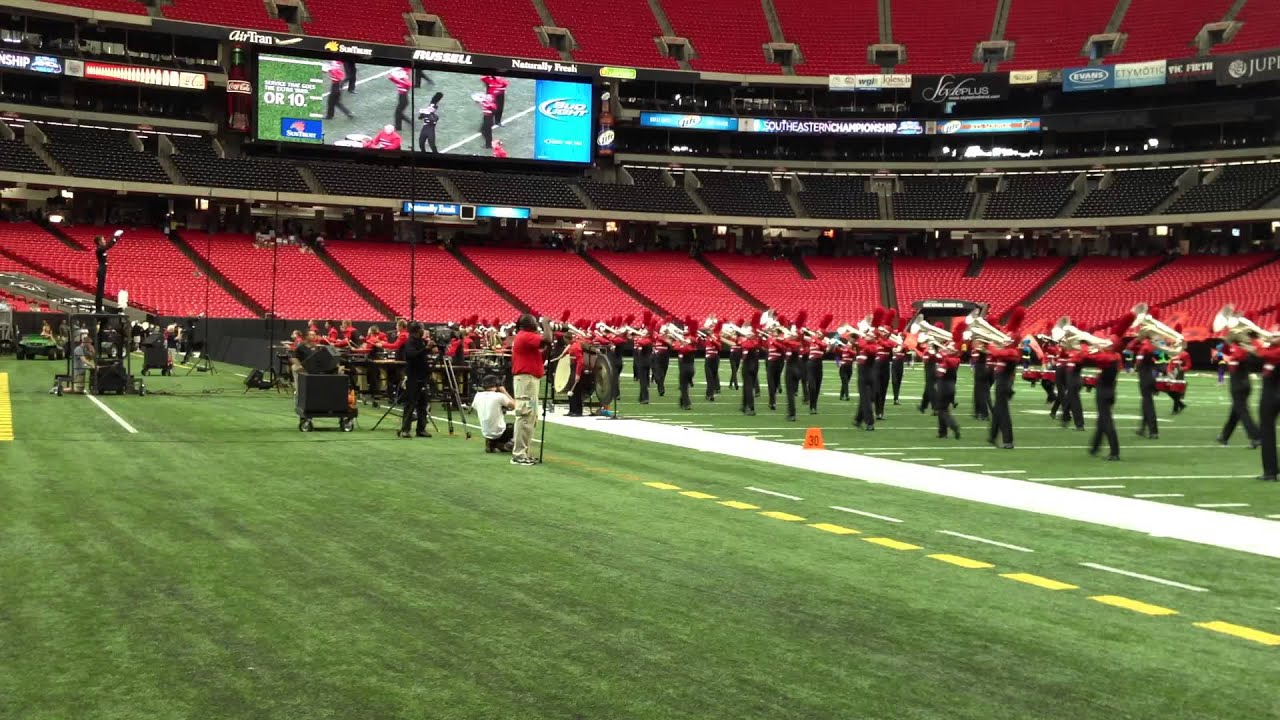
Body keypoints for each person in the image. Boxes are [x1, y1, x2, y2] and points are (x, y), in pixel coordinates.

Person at [510, 314, 549, 466]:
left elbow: (541, 351)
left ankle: (523, 451)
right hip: (526, 381)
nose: (537, 323)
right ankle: (518, 454)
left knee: (531, 415)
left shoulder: (526, 337)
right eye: (535, 321)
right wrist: (546, 324)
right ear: (528, 324)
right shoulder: (525, 336)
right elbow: (547, 339)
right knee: (525, 415)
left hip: (530, 381)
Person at [1081, 340, 1123, 460]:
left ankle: (1115, 452)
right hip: (1111, 391)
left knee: (1107, 422)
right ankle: (1095, 447)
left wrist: (1087, 344)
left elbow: (1086, 356)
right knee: (1101, 420)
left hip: (1103, 392)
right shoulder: (1116, 356)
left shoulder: (1107, 358)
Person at [1219, 341, 1261, 448]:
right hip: (1243, 385)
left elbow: (1238, 355)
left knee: (1242, 412)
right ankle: (1224, 436)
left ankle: (1256, 436)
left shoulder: (1239, 351)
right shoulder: (1234, 351)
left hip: (1238, 387)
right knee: (1236, 412)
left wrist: (1238, 347)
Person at [397, 323, 433, 439]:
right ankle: (405, 429)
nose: (424, 331)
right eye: (422, 329)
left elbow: (421, 355)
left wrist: (428, 348)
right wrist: (426, 349)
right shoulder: (410, 342)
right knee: (410, 403)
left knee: (423, 403)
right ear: (417, 330)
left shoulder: (420, 341)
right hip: (413, 376)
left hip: (422, 375)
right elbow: (412, 355)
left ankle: (421, 429)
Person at [987, 343, 1020, 449]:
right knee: (997, 411)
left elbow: (996, 352)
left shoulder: (1012, 352)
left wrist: (990, 344)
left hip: (1003, 386)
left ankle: (1008, 441)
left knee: (1003, 413)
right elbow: (994, 355)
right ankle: (992, 436)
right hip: (1000, 385)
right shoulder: (1005, 353)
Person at [1256, 338, 1280, 481]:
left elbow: (1261, 353)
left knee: (1267, 432)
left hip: (1271, 397)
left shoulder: (1274, 352)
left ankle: (1270, 472)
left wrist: (1255, 342)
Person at [473, 375, 516, 453]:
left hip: (486, 433)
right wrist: (504, 391)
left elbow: (476, 407)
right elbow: (515, 405)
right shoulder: (499, 396)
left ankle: (492, 443)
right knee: (519, 426)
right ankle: (509, 444)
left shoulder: (477, 395)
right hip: (500, 432)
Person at [1129, 336, 1159, 439]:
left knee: (1148, 405)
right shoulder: (1149, 346)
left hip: (1145, 378)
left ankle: (1153, 431)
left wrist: (1135, 369)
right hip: (1151, 377)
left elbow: (1138, 359)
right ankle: (1142, 428)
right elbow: (1130, 347)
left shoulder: (1144, 347)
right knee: (1146, 403)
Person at [94, 233, 119, 312]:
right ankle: (98, 308)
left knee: (101, 289)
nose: (104, 241)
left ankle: (99, 306)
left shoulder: (101, 248)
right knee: (99, 290)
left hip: (103, 270)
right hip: (101, 270)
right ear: (99, 241)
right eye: (103, 240)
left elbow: (108, 246)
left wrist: (116, 238)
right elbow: (108, 246)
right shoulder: (99, 249)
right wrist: (114, 237)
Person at [740, 329, 761, 416]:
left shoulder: (749, 343)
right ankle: (744, 405)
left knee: (748, 387)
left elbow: (744, 347)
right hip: (755, 366)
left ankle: (750, 407)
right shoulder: (757, 342)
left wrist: (745, 340)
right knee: (748, 386)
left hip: (748, 366)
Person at [389, 67, 413, 131]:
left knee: (398, 113)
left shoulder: (403, 82)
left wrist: (394, 73)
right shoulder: (402, 81)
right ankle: (406, 124)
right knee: (399, 113)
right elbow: (390, 78)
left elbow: (391, 77)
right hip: (402, 99)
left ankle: (399, 127)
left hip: (403, 100)